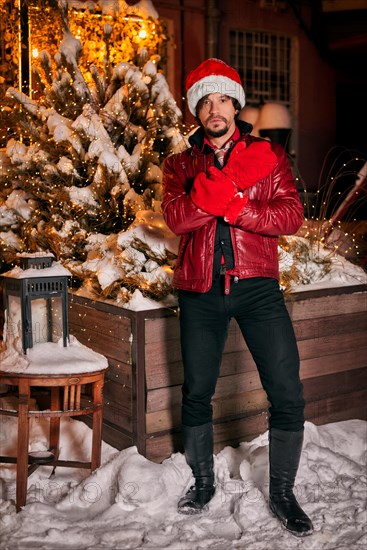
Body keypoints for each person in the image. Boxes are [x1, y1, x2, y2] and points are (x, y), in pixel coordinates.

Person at [162, 58, 313, 537]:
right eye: (204, 101)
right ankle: (203, 483)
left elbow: (290, 217)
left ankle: (284, 492)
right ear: (197, 112)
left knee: (287, 392)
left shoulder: (267, 158)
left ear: (235, 104)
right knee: (197, 392)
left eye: (222, 98)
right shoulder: (179, 164)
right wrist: (218, 191)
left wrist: (238, 207)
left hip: (257, 288)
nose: (215, 109)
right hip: (200, 291)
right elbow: (178, 219)